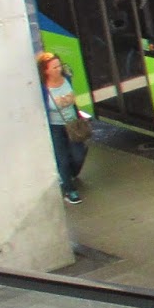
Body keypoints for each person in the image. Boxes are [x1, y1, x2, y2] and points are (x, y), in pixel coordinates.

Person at [37, 51, 89, 202]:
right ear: (45, 70)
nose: (58, 69)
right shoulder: (43, 88)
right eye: (54, 67)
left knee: (78, 155)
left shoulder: (67, 79)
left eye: (59, 66)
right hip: (56, 127)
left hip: (72, 124)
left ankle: (68, 176)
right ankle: (69, 189)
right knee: (63, 159)